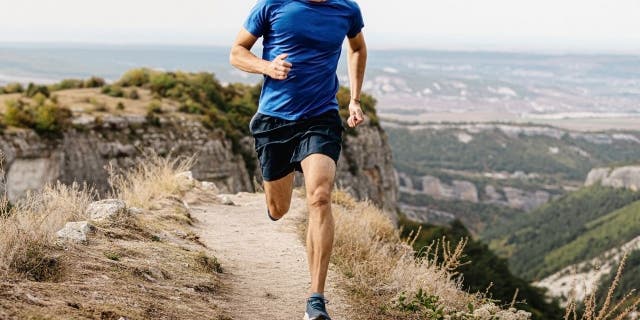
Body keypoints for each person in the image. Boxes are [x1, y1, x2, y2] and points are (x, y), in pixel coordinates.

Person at [229, 0, 367, 318]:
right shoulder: (272, 5)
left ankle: (315, 300)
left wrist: (354, 99)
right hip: (274, 121)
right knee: (279, 209)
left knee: (320, 196)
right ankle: (278, 192)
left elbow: (357, 47)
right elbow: (237, 51)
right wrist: (267, 67)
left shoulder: (346, 9)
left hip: (321, 117)